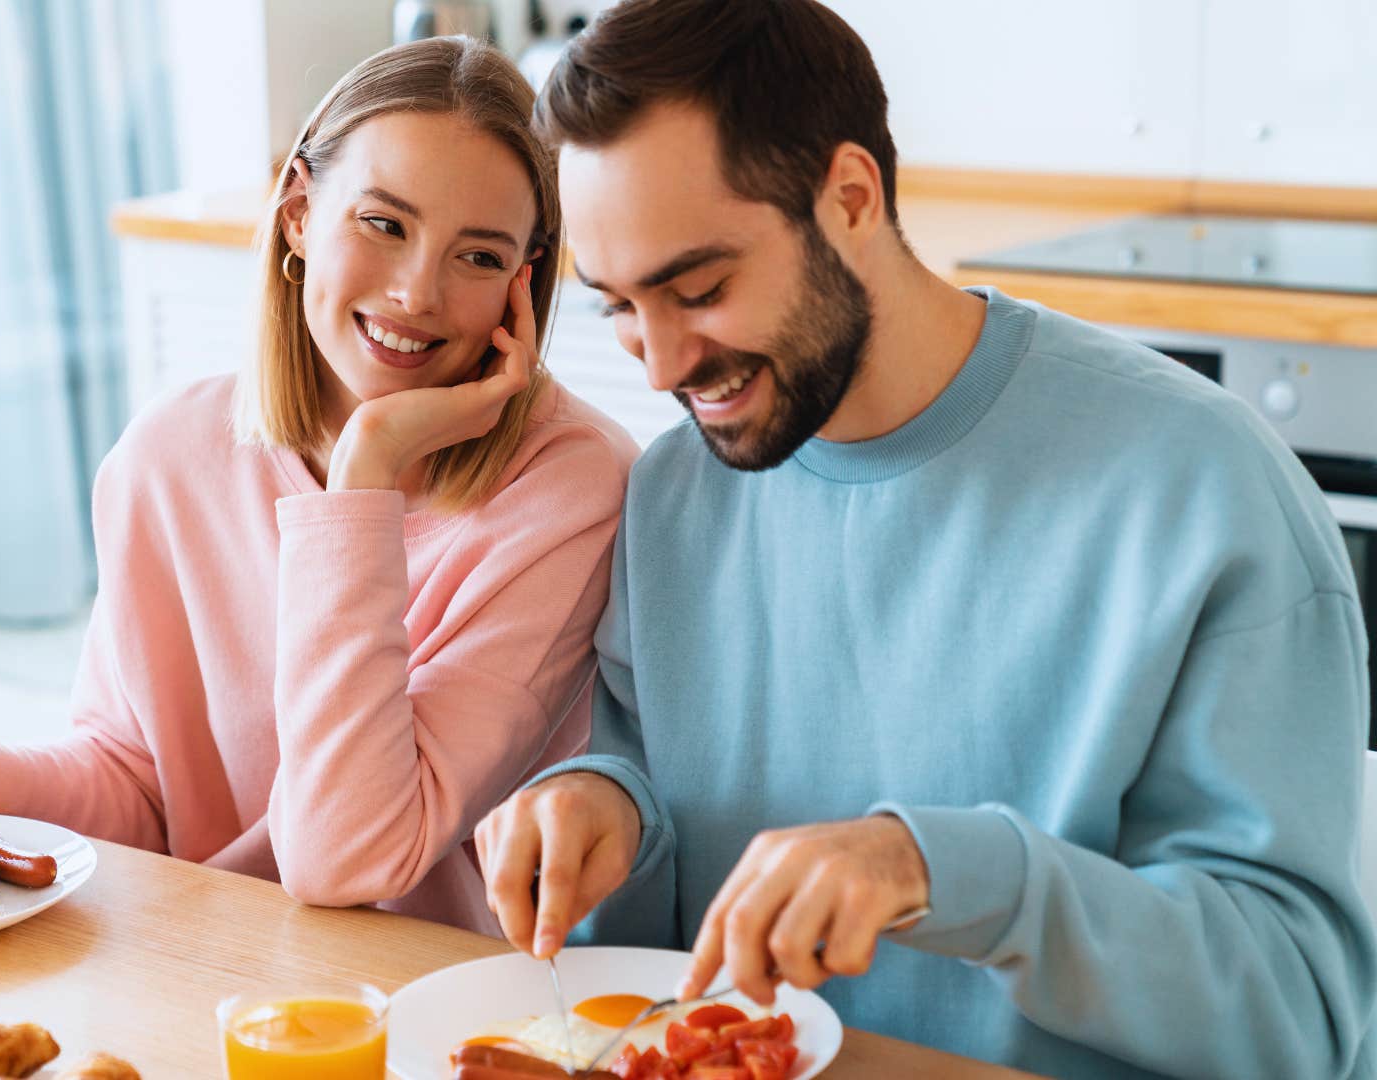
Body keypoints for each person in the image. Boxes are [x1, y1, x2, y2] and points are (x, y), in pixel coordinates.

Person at [472, 1, 1376, 1076]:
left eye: (701, 289)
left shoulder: (1199, 488)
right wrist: (601, 803)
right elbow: (659, 794)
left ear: (851, 197)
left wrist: (949, 873)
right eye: (617, 305)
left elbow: (1298, 1015)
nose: (660, 365)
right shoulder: (677, 490)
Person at [0, 35, 639, 935]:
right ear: (299, 214)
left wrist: (359, 481)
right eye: (383, 224)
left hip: (447, 1011)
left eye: (476, 257)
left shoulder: (570, 488)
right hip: (220, 974)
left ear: (524, 283)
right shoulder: (171, 455)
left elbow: (349, 856)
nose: (415, 293)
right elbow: (138, 783)